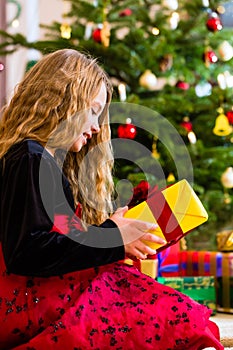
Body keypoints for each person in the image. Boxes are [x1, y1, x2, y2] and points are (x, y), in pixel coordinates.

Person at [0, 49, 223, 350]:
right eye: (92, 111)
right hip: (22, 303)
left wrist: (113, 229)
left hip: (34, 295)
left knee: (154, 302)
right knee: (168, 314)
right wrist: (112, 238)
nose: (95, 127)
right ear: (62, 100)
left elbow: (58, 242)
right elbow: (26, 251)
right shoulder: (30, 156)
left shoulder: (44, 160)